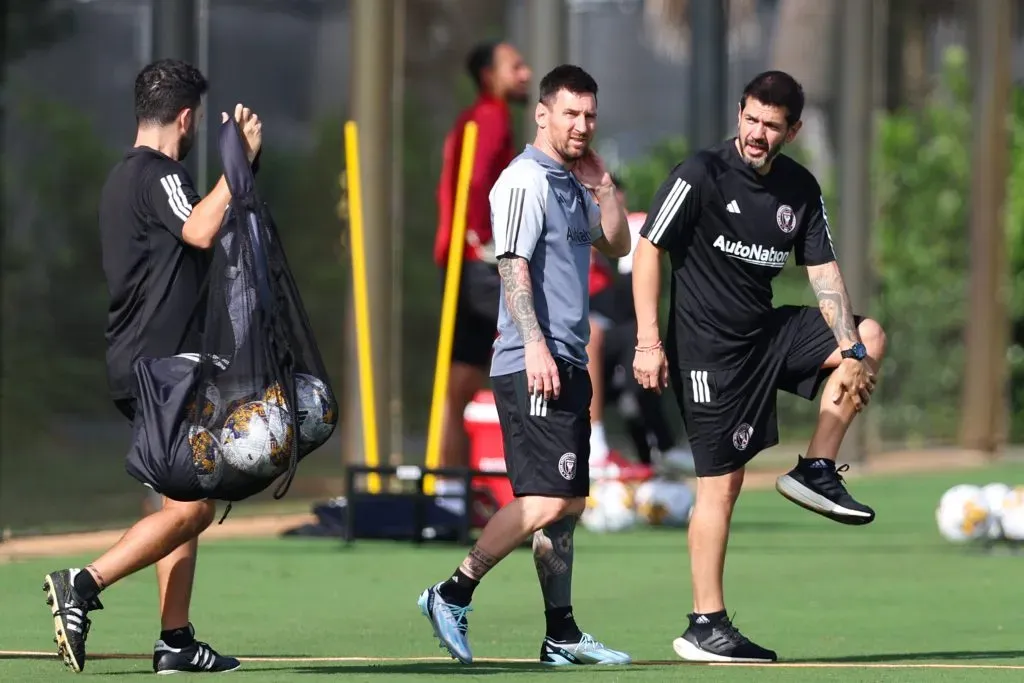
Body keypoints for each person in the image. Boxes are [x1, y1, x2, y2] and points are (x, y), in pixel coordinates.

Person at [631, 70, 887, 663]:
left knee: (868, 336)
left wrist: (850, 350)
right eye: (751, 119)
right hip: (708, 352)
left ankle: (816, 468)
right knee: (722, 484)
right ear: (739, 113)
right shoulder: (701, 173)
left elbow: (823, 273)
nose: (757, 133)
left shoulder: (800, 187)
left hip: (765, 334)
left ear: (792, 130)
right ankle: (705, 624)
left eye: (772, 126)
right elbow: (649, 249)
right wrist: (649, 341)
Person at [41, 59, 262, 674]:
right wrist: (237, 163)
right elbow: (198, 230)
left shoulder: (121, 178)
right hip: (161, 369)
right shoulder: (158, 174)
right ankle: (82, 585)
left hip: (145, 364)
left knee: (177, 506)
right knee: (193, 505)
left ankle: (175, 640)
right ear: (186, 117)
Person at [418, 64, 633, 666]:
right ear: (542, 114)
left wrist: (604, 187)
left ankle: (560, 633)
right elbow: (510, 265)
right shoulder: (523, 180)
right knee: (543, 501)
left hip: (564, 358)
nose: (582, 125)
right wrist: (534, 344)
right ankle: (452, 592)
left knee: (564, 508)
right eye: (570, 113)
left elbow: (616, 244)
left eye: (590, 115)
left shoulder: (571, 181)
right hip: (530, 360)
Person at [432, 41, 532, 509]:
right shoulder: (489, 118)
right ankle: (548, 476)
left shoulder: (479, 118)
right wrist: (485, 240)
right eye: (516, 67)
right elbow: (476, 184)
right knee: (534, 347)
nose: (525, 74)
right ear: (490, 75)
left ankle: (452, 491)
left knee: (461, 379)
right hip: (477, 264)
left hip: (463, 262)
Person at [587, 179, 694, 474]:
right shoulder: (570, 232)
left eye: (615, 201)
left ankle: (660, 450)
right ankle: (593, 442)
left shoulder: (633, 229)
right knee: (591, 334)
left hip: (619, 333)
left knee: (642, 353)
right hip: (580, 334)